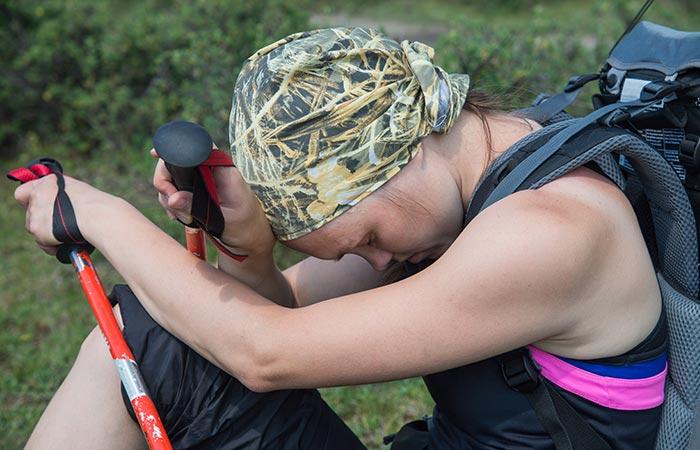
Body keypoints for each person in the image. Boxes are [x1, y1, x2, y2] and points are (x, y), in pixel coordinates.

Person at [16, 28, 666, 449]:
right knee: (156, 338)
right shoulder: (484, 174)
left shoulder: (549, 233)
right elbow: (265, 319)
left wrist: (101, 216)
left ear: (390, 159)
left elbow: (264, 353)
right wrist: (250, 249)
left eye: (367, 238)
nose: (379, 262)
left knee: (149, 333)